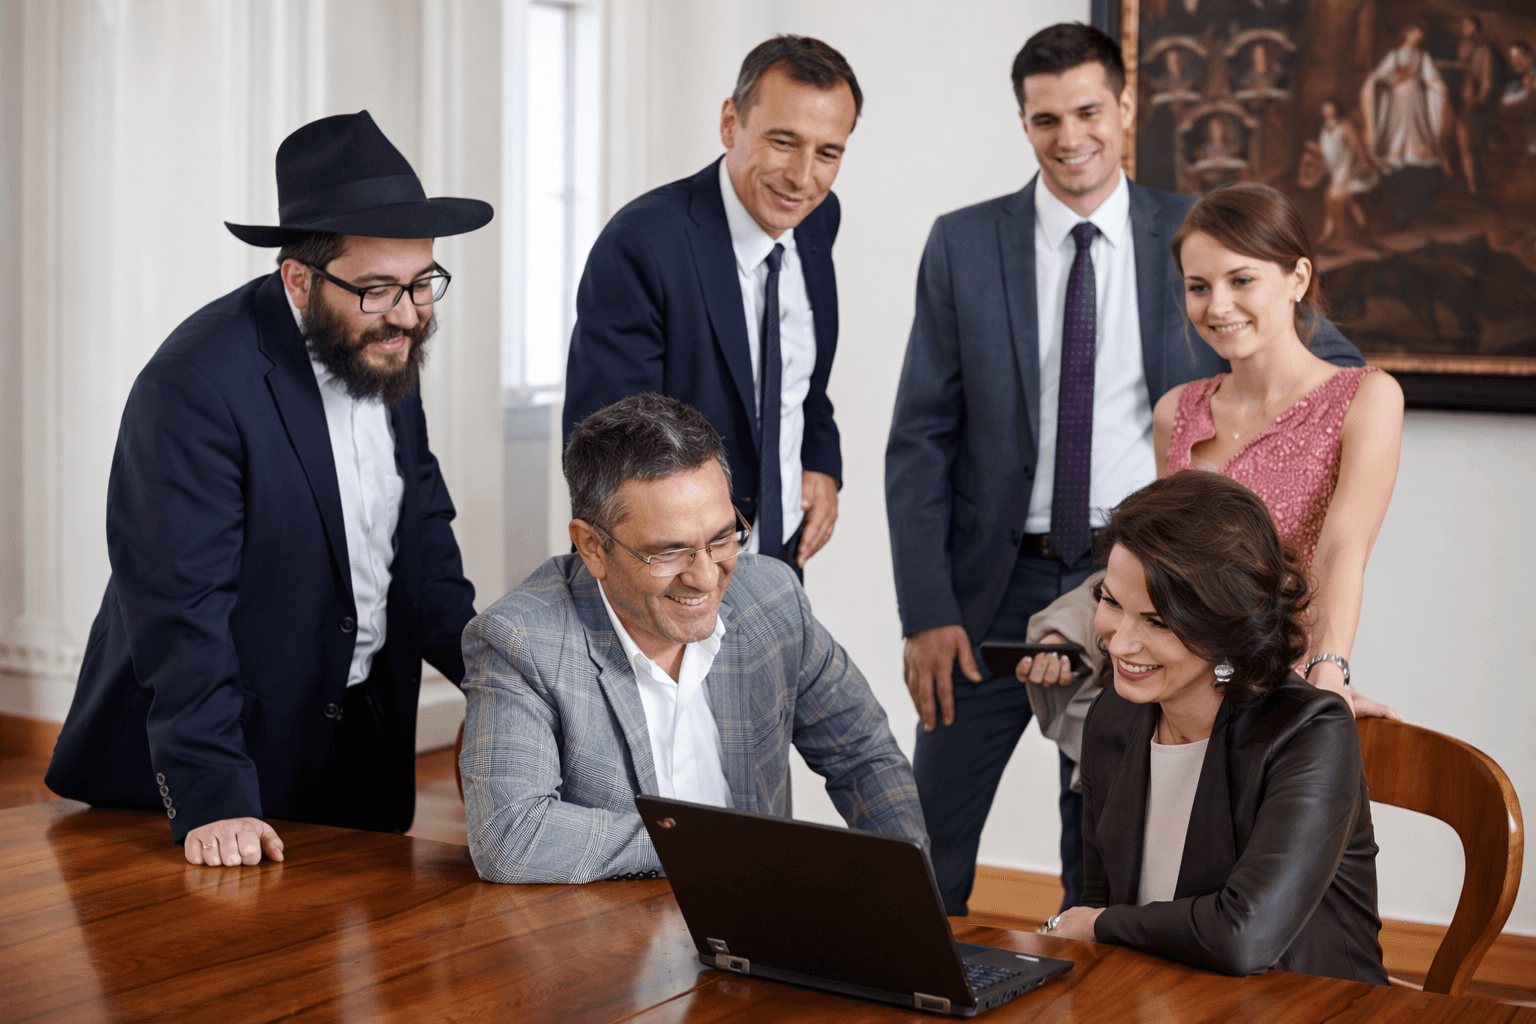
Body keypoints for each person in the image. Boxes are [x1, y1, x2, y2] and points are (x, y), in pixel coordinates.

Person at [885, 22, 1366, 918]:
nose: (1071, 137)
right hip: (991, 590)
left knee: (1104, 842)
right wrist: (928, 612)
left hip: (1149, 591)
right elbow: (919, 436)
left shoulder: (1189, 238)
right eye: (1046, 118)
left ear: (1127, 108)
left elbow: (1306, 344)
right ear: (1024, 121)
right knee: (930, 832)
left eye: (1089, 111)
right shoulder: (962, 243)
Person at [45, 111, 488, 866]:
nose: (409, 315)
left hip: (355, 752)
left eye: (424, 284)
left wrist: (499, 680)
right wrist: (213, 791)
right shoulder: (195, 384)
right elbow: (182, 607)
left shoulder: (380, 349)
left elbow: (420, 544)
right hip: (216, 769)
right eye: (379, 289)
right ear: (299, 278)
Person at [460, 394, 926, 884]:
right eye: (671, 552)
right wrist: (713, 846)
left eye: (723, 539)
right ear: (592, 547)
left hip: (764, 929)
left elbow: (863, 753)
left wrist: (910, 900)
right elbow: (510, 834)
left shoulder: (772, 599)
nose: (706, 578)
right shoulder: (521, 639)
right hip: (613, 941)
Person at [1021, 182, 1402, 779]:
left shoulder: (1366, 398)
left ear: (1298, 277)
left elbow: (1341, 549)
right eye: (1198, 287)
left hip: (1278, 691)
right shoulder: (1177, 410)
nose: (1217, 306)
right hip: (1176, 695)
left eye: (1241, 280)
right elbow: (1162, 569)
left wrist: (1329, 676)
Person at [1040, 472, 1388, 985]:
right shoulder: (1113, 716)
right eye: (1113, 603)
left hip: (1308, 1008)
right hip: (1166, 998)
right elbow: (1101, 902)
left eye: (1157, 622)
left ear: (1226, 627)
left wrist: (1099, 924)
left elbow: (1243, 936)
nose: (1119, 644)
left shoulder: (1312, 732)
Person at [563, 35, 860, 577]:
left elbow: (796, 371)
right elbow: (604, 452)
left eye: (828, 152)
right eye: (783, 142)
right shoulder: (643, 243)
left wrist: (819, 459)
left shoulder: (818, 217)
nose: (802, 176)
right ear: (731, 123)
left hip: (781, 555)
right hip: (677, 569)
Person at [1360, 24, 1452, 177]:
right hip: (1396, 96)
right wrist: (1395, 80)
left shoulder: (1422, 56)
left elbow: (1432, 78)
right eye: (1415, 34)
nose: (1417, 38)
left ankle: (1412, 152)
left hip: (1416, 96)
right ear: (1407, 34)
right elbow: (1378, 76)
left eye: (1420, 36)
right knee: (1398, 123)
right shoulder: (1394, 55)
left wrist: (1439, 87)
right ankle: (1395, 154)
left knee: (1413, 122)